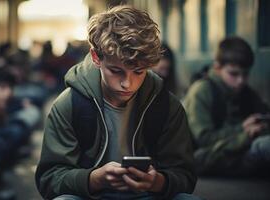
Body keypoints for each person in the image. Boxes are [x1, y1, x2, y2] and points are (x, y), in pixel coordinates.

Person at [36, 5, 199, 200]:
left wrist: (158, 182)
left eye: (139, 72)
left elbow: (186, 175)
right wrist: (92, 179)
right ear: (96, 57)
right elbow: (49, 179)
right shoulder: (69, 105)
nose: (127, 83)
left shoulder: (166, 105)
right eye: (116, 71)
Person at [183, 37, 270, 175]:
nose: (240, 81)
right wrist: (244, 130)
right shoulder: (201, 91)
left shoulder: (246, 92)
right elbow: (205, 140)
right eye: (233, 74)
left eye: (245, 74)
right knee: (264, 146)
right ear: (217, 68)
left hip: (237, 154)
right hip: (208, 158)